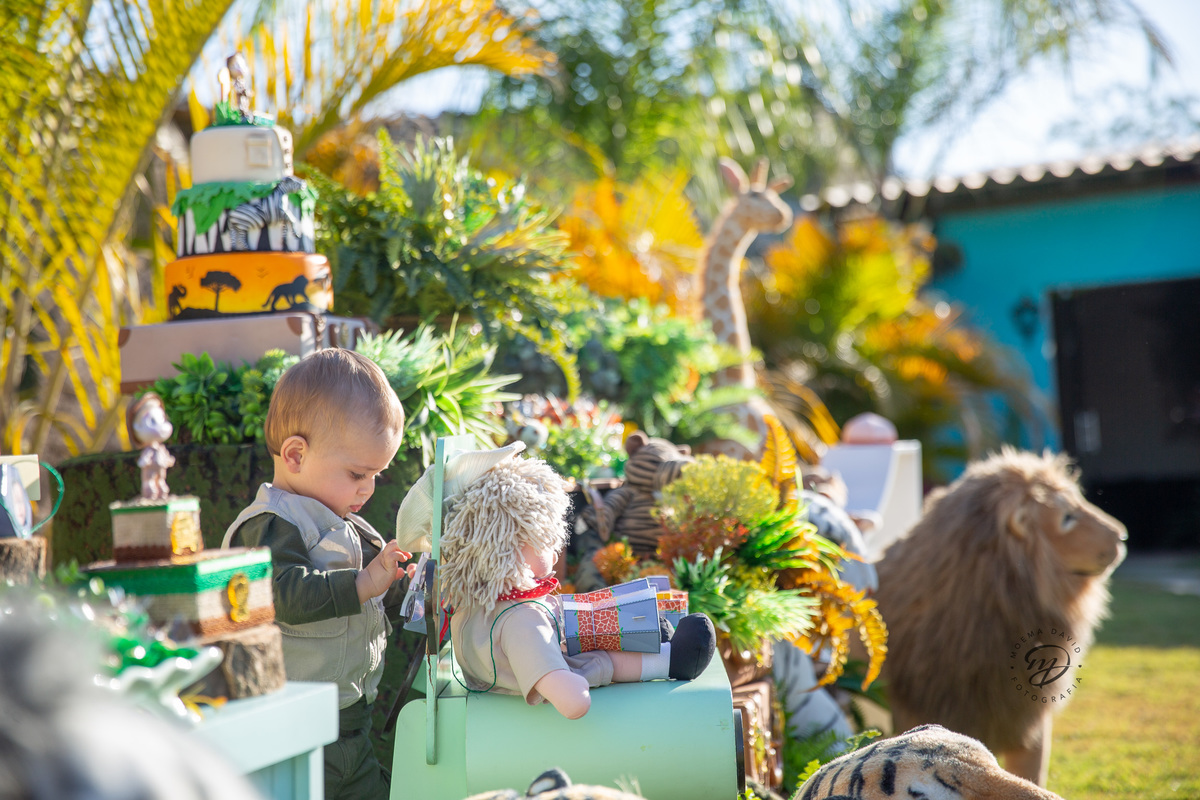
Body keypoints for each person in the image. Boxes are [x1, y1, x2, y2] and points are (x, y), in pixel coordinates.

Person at [223, 349, 414, 800]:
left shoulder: (348, 523)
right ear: (295, 455)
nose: (367, 488)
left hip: (352, 724)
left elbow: (381, 594)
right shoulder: (268, 524)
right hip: (293, 728)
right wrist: (365, 582)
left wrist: (403, 584)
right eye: (357, 473)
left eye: (376, 475)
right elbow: (281, 592)